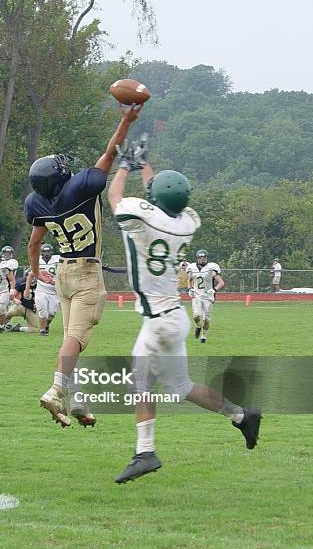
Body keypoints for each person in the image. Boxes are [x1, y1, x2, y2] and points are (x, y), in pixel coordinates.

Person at [108, 143, 262, 484]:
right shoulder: (188, 222)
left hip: (159, 320)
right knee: (180, 386)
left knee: (141, 380)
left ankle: (145, 452)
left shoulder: (143, 219)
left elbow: (115, 198)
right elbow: (160, 198)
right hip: (174, 314)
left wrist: (124, 165)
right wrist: (145, 165)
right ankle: (241, 415)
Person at [24, 104, 143, 428]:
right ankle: (56, 389)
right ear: (62, 176)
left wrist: (35, 272)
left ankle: (77, 402)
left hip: (61, 271)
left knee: (69, 342)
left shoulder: (37, 204)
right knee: (75, 339)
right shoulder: (80, 189)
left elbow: (34, 243)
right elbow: (109, 153)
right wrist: (126, 120)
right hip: (87, 272)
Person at [187, 250, 224, 343]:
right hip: (197, 295)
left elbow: (221, 282)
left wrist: (214, 290)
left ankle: (203, 335)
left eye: (204, 257)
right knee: (196, 316)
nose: (202, 259)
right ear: (197, 258)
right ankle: (198, 327)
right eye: (200, 257)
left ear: (206, 258)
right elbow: (189, 280)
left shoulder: (211, 268)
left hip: (208, 296)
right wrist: (190, 289)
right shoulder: (192, 268)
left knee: (206, 319)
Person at [25, 243, 60, 336]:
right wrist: (27, 289)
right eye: (45, 251)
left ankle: (46, 325)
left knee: (52, 313)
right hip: (41, 290)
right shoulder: (37, 260)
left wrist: (56, 282)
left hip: (55, 291)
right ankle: (42, 331)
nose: (47, 253)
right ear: (41, 253)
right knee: (42, 309)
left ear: (52, 252)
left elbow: (64, 275)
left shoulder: (58, 260)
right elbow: (30, 274)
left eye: (48, 251)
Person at [2, 268, 39, 333]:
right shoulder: (22, 283)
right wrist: (15, 300)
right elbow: (12, 296)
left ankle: (18, 328)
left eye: (33, 276)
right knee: (8, 315)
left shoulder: (40, 283)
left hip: (31, 310)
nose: (32, 279)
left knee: (34, 329)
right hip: (21, 306)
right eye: (30, 276)